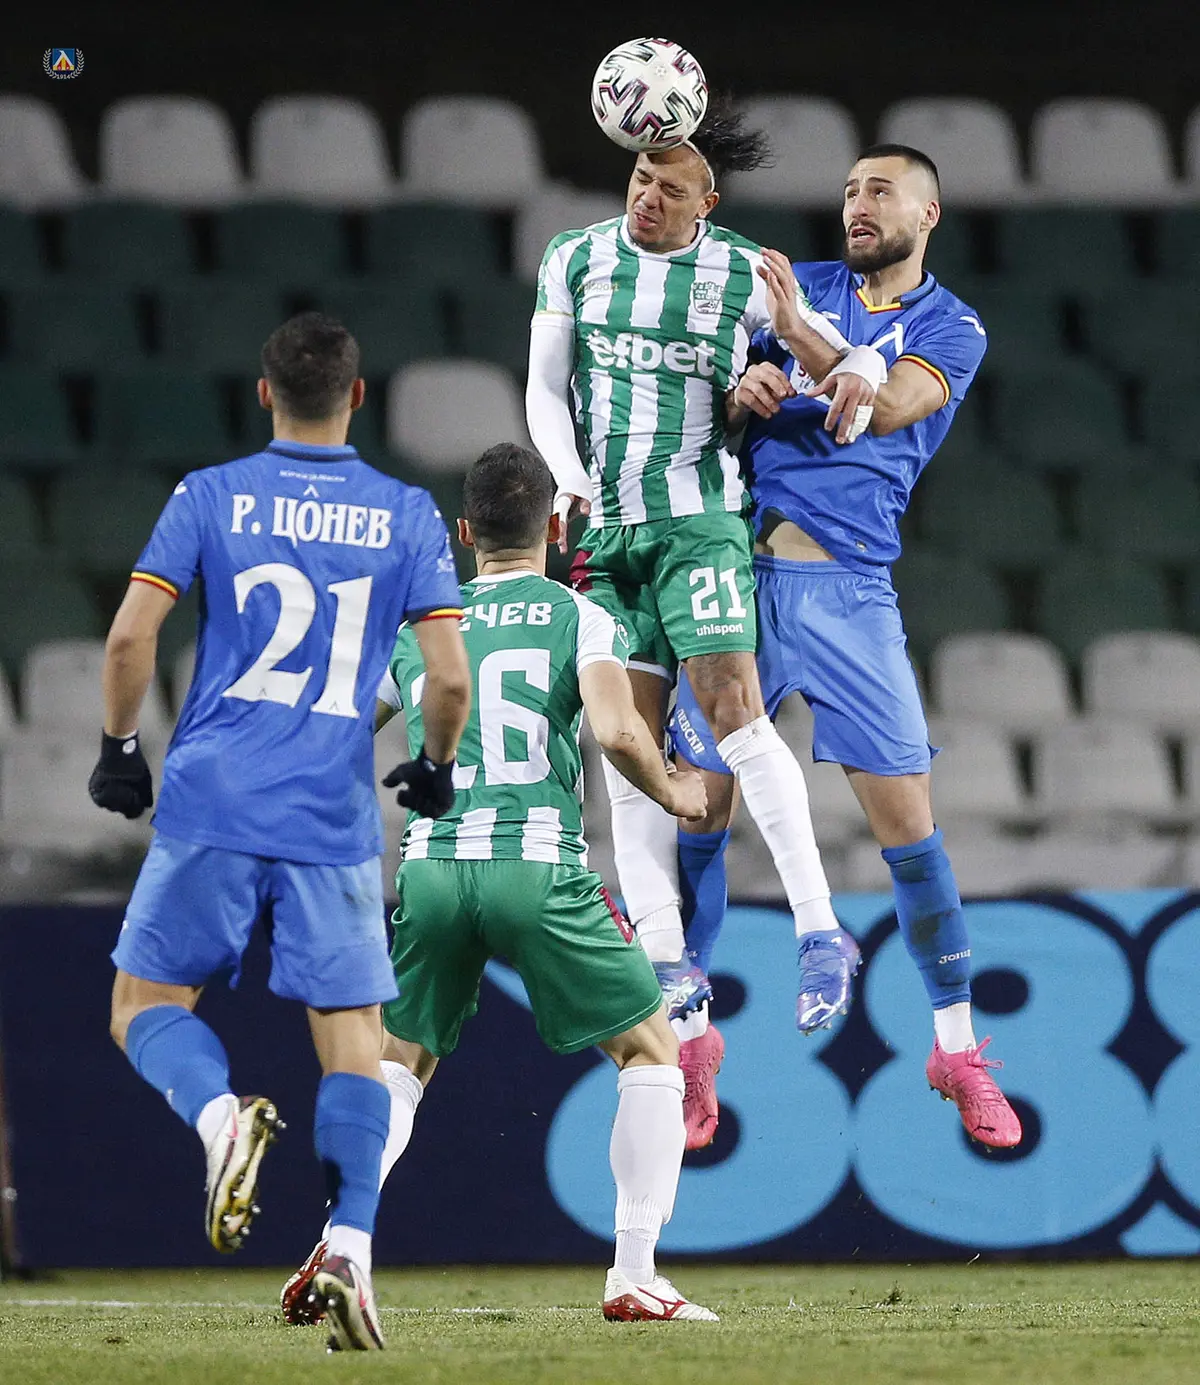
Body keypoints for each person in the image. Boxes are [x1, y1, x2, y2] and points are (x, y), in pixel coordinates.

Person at [89, 313, 471, 1352]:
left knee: (141, 1006)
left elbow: (129, 635)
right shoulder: (407, 512)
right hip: (331, 811)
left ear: (264, 394)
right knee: (354, 1043)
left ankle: (220, 1119)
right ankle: (349, 1244)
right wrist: (435, 766)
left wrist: (120, 746)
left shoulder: (209, 493)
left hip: (214, 794)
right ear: (358, 397)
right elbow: (446, 676)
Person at [280, 443, 720, 1323]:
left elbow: (333, 734)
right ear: (556, 527)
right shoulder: (579, 615)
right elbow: (617, 729)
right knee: (651, 1053)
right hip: (535, 865)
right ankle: (635, 1273)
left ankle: (342, 1241)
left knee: (399, 1064)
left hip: (433, 871)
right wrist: (675, 791)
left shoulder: (420, 626)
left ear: (463, 531)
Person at [524, 102, 885, 1130]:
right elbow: (544, 389)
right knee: (625, 745)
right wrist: (567, 479)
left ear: (706, 203)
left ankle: (819, 927)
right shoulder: (573, 258)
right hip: (607, 536)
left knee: (733, 714)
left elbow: (846, 362)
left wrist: (840, 366)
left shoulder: (741, 273)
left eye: (670, 188)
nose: (647, 197)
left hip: (700, 524)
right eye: (640, 179)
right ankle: (679, 995)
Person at [667, 145, 1022, 1151]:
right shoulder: (798, 285)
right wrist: (746, 386)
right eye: (850, 190)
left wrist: (798, 339)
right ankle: (693, 1039)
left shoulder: (951, 325)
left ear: (928, 211)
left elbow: (891, 403)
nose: (857, 205)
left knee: (911, 830)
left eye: (880, 191)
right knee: (698, 808)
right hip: (739, 578)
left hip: (851, 592)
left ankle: (956, 1049)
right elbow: (716, 397)